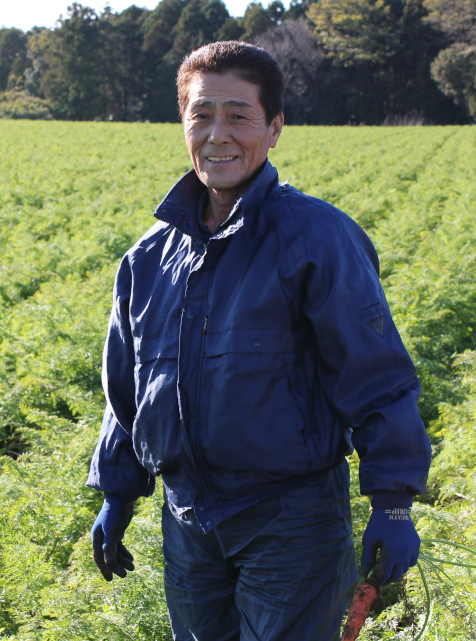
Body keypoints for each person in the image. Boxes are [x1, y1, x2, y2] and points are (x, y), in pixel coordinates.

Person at [87, 40, 431, 641]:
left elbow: (375, 377)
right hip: (188, 517)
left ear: (274, 129)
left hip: (291, 518)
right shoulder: (147, 259)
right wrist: (118, 492)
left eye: (239, 116)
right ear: (183, 126)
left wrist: (393, 502)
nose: (218, 134)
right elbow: (128, 389)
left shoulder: (319, 239)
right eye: (201, 115)